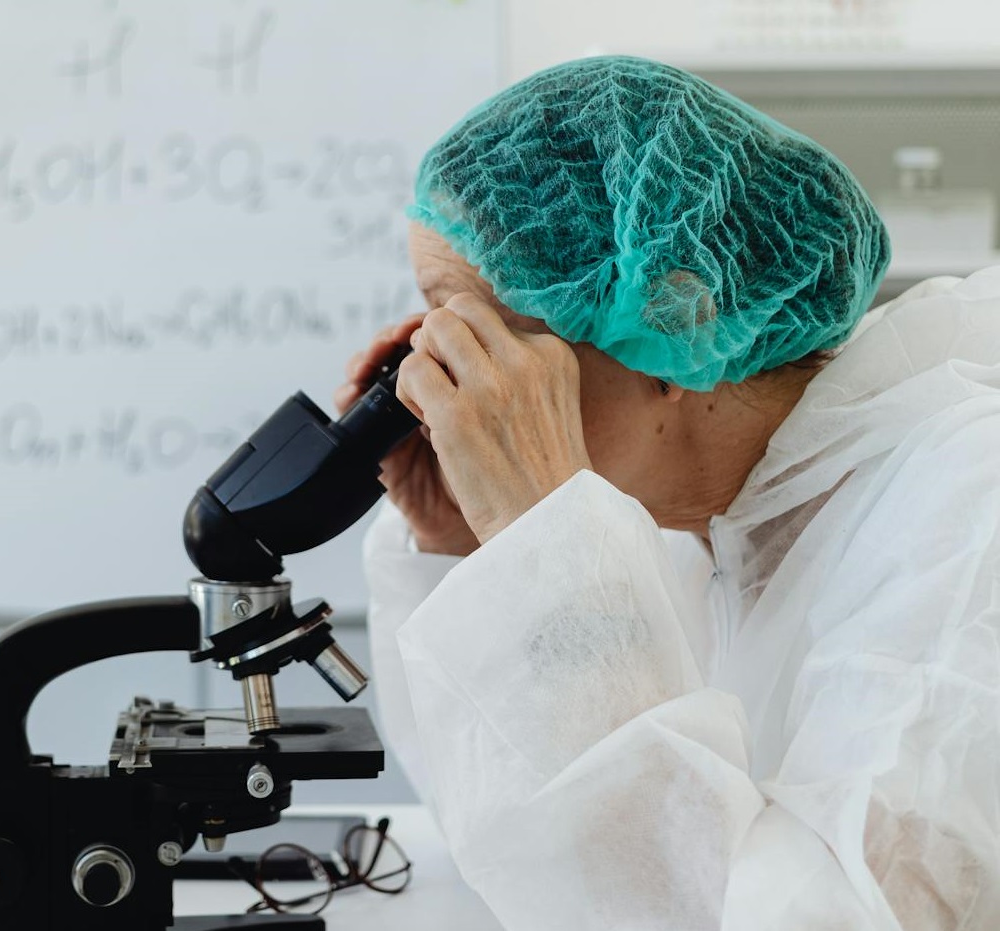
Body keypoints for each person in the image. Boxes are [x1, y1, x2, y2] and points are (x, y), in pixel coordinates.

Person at [334, 56, 1000, 929]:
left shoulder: (965, 503)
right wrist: (474, 555)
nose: (435, 376)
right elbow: (519, 847)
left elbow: (828, 914)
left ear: (680, 313)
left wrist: (546, 543)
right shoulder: (692, 526)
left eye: (480, 328)